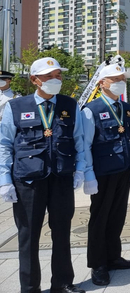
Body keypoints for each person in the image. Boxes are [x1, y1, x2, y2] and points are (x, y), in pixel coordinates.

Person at [0, 57, 85, 293]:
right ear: (34, 80)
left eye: (58, 75)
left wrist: (80, 170)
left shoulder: (70, 104)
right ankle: (29, 287)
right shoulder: (16, 107)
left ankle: (62, 282)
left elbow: (79, 140)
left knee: (62, 232)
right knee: (28, 236)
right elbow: (4, 144)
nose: (56, 80)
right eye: (49, 76)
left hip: (60, 178)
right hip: (28, 181)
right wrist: (4, 181)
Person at [82, 63, 130, 286]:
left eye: (121, 79)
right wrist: (88, 174)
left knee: (117, 215)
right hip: (102, 173)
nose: (119, 83)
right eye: (114, 79)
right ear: (102, 83)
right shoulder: (91, 110)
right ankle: (98, 265)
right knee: (99, 218)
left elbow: (129, 138)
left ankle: (114, 257)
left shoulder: (126, 108)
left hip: (123, 169)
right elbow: (85, 144)